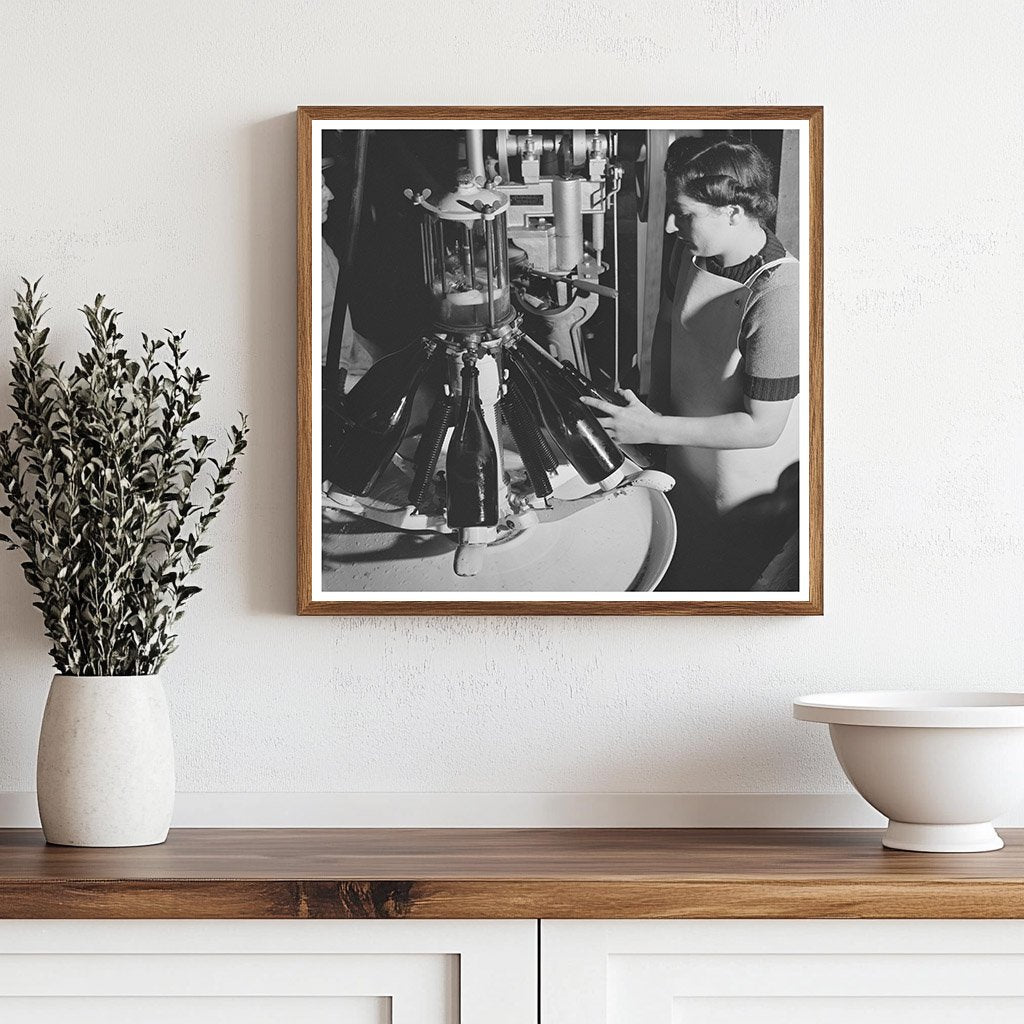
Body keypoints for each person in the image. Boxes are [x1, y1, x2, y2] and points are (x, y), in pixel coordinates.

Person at [581, 138, 800, 591]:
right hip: (683, 449)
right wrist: (650, 405)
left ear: (734, 212)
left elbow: (762, 429)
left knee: (721, 582)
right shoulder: (693, 252)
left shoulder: (780, 294)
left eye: (685, 212)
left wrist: (653, 430)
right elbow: (670, 324)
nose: (668, 224)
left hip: (739, 483)